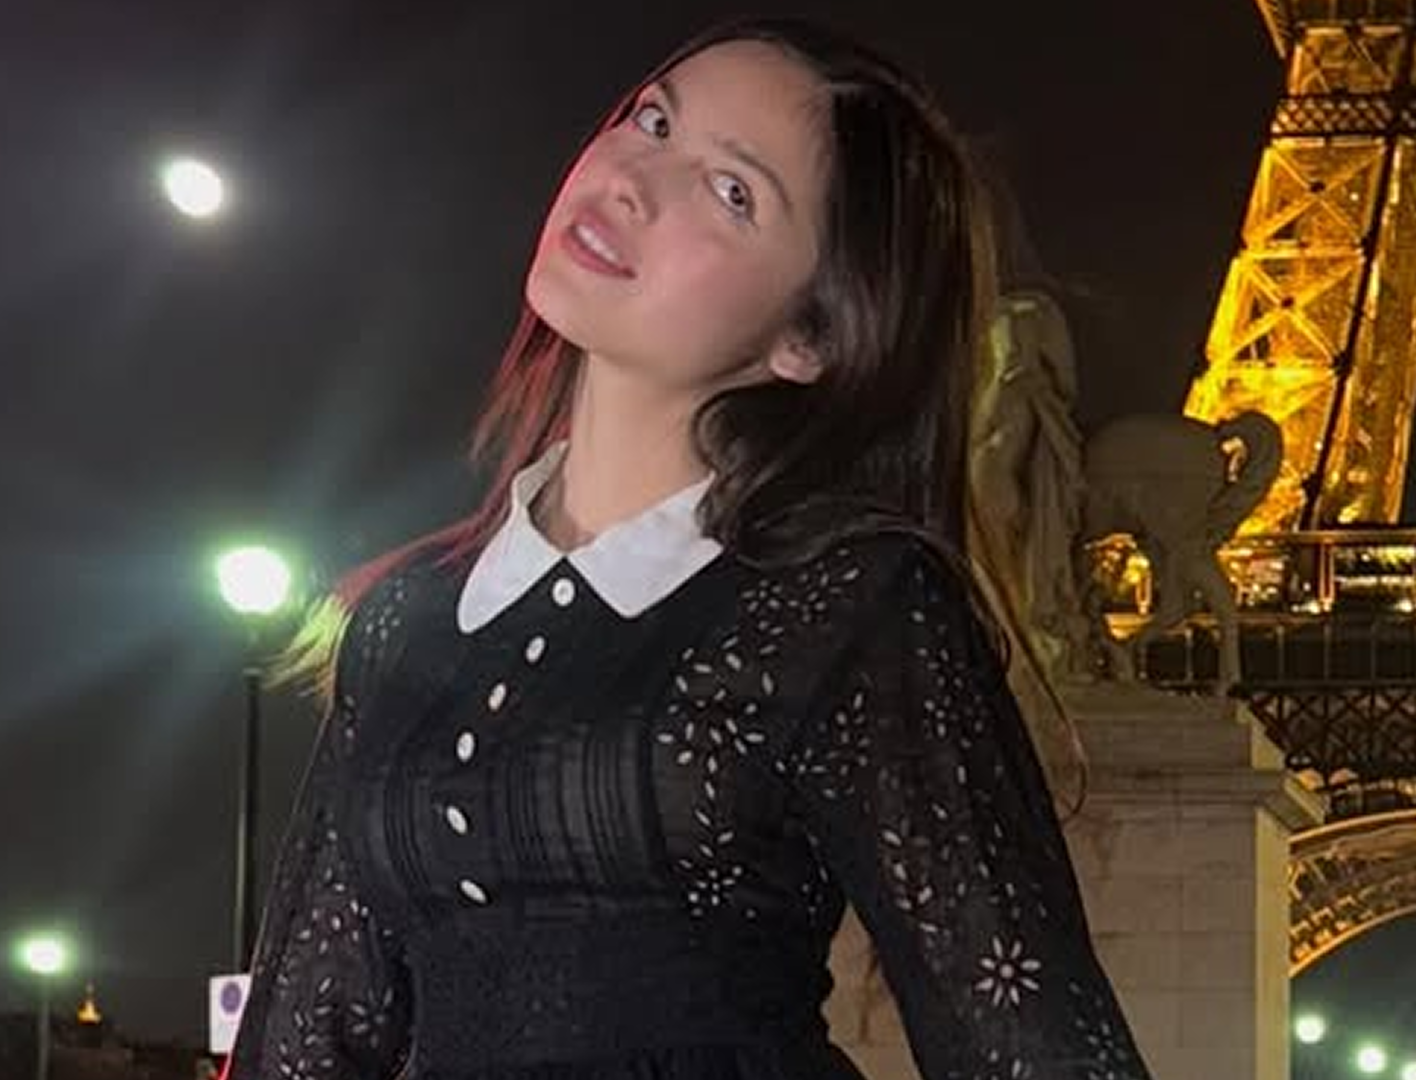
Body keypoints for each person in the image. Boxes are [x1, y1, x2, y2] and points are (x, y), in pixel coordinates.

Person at [223, 15, 1154, 1080]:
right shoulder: (411, 622)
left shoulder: (848, 607)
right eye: (653, 120)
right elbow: (302, 1035)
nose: (632, 177)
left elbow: (1035, 1046)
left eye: (732, 190)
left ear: (811, 337)